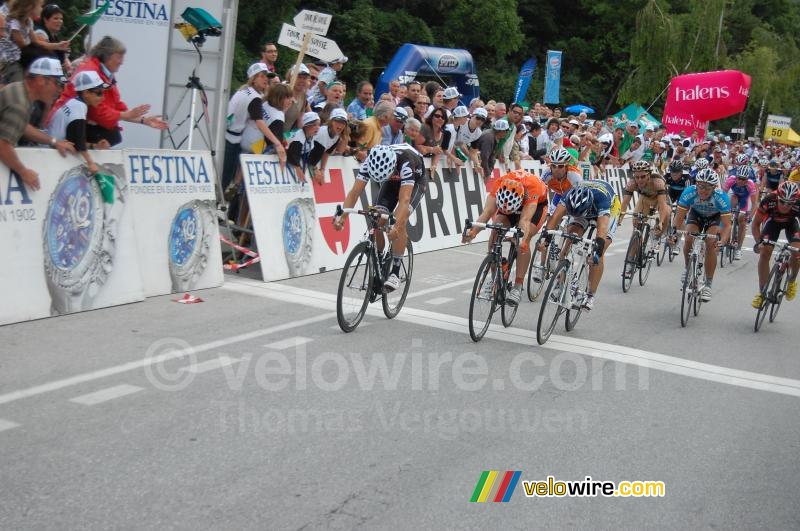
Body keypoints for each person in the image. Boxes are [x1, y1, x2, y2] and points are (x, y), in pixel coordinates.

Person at [334, 144, 427, 292]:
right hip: (390, 182)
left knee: (399, 220)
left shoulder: (406, 163)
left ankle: (395, 272)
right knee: (377, 219)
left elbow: (404, 200)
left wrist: (396, 227)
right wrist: (342, 216)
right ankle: (378, 260)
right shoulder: (369, 162)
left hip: (416, 182)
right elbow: (354, 192)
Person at [50, 36, 167, 147]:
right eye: (119, 57)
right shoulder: (91, 72)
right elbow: (97, 111)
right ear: (107, 56)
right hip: (67, 124)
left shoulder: (103, 72)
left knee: (112, 136)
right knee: (111, 136)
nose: (122, 62)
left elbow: (115, 105)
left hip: (77, 121)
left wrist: (143, 120)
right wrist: (127, 115)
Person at [462, 170, 549, 305]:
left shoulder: (533, 188)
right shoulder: (499, 184)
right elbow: (487, 212)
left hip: (535, 206)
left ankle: (518, 287)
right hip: (509, 202)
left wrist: (521, 239)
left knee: (524, 239)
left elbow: (525, 220)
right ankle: (494, 278)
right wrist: (473, 233)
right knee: (496, 228)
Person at [542, 181, 621, 310]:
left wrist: (597, 251)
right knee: (568, 241)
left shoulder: (602, 201)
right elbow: (555, 218)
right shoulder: (568, 196)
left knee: (598, 252)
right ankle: (560, 283)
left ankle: (590, 295)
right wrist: (545, 239)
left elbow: (602, 228)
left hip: (609, 208)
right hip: (580, 209)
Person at [0, 57, 75, 191]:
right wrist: (23, 172)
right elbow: (3, 146)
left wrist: (53, 141)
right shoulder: (20, 104)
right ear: (41, 80)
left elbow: (22, 126)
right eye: (57, 83)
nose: (60, 90)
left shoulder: (19, 90)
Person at [672, 169, 732, 302]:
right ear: (696, 185)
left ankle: (708, 284)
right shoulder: (689, 192)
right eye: (700, 186)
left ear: (714, 187)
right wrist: (674, 234)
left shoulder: (721, 197)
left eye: (707, 188)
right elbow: (679, 218)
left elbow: (727, 225)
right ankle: (688, 269)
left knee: (711, 244)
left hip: (714, 217)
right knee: (688, 237)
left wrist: (722, 241)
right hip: (696, 214)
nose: (703, 190)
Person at [221, 62, 275, 192]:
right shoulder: (254, 97)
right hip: (232, 139)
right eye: (262, 76)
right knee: (225, 177)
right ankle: (218, 202)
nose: (266, 79)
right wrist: (276, 142)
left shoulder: (244, 90)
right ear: (254, 78)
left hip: (226, 134)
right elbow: (260, 123)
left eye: (266, 76)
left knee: (223, 174)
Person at [46, 70, 109, 175]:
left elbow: (75, 141)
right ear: (86, 93)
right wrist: (90, 163)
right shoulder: (80, 107)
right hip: (52, 150)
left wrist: (94, 146)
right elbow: (80, 143)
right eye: (99, 93)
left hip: (51, 146)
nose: (103, 98)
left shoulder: (73, 102)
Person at [618, 160, 671, 279]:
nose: (640, 180)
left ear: (649, 175)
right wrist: (619, 218)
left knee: (667, 212)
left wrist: (661, 222)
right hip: (645, 199)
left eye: (643, 177)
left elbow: (662, 205)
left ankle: (657, 237)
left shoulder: (658, 182)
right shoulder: (632, 183)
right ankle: (630, 263)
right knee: (636, 228)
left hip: (659, 200)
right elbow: (625, 203)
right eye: (637, 177)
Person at [750, 181, 800, 307]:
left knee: (796, 252)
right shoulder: (769, 199)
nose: (785, 206)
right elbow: (755, 224)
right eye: (782, 201)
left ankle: (792, 281)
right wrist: (759, 242)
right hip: (773, 223)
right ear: (777, 197)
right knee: (765, 253)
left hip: (792, 224)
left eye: (790, 203)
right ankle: (762, 293)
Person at [0, 0, 69, 84]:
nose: (41, 9)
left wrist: (57, 45)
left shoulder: (29, 22)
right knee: (19, 84)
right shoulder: (14, 22)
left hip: (22, 59)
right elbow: (22, 45)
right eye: (40, 6)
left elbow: (36, 42)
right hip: (12, 61)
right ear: (30, 7)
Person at [240, 81, 293, 155]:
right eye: (288, 97)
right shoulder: (278, 118)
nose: (291, 100)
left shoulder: (266, 103)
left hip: (245, 137)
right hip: (255, 147)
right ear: (279, 98)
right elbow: (276, 142)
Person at [721, 165, 758, 260]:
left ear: (747, 179)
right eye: (739, 178)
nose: (740, 181)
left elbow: (754, 204)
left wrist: (750, 216)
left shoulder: (750, 184)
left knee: (742, 220)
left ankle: (738, 249)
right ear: (736, 176)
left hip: (745, 200)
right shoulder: (731, 179)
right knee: (730, 208)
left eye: (743, 179)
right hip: (735, 196)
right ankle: (725, 238)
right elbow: (722, 196)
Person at [308, 107, 348, 181]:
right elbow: (311, 161)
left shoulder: (337, 135)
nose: (340, 125)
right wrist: (316, 171)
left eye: (343, 123)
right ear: (331, 121)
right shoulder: (323, 133)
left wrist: (322, 169)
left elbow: (326, 153)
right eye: (337, 121)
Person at [33, 3, 70, 75]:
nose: (60, 21)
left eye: (61, 19)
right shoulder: (40, 34)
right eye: (55, 18)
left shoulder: (54, 37)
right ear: (45, 19)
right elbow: (44, 53)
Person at [286, 111, 321, 184]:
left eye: (318, 125)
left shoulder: (311, 137)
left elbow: (307, 155)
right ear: (306, 126)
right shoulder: (299, 138)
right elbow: (292, 155)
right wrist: (298, 171)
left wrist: (315, 169)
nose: (317, 127)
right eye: (314, 125)